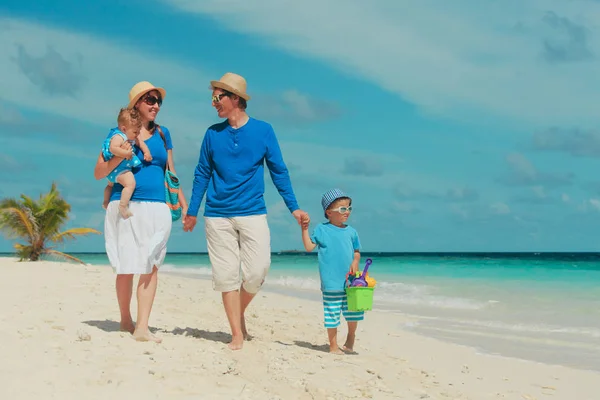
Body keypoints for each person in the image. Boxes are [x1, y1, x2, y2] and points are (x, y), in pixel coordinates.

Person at [183, 72, 308, 350]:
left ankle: (238, 312)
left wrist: (294, 207)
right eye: (212, 97)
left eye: (218, 97)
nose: (213, 102)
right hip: (217, 214)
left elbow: (279, 170)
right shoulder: (212, 134)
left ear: (235, 98)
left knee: (257, 271)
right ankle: (236, 333)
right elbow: (202, 173)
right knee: (226, 275)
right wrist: (192, 210)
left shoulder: (264, 131)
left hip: (252, 211)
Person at [93, 81, 188, 342]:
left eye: (158, 101)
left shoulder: (163, 133)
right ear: (137, 104)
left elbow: (171, 170)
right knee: (125, 266)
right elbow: (99, 173)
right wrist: (121, 156)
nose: (156, 105)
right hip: (125, 205)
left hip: (158, 205)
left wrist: (183, 203)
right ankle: (125, 320)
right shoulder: (118, 133)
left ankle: (142, 326)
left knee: (151, 264)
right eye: (150, 100)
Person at [300, 188, 364, 355]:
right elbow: (308, 247)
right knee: (332, 314)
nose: (347, 212)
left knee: (353, 312)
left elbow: (357, 251)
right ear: (329, 212)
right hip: (331, 281)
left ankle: (350, 338)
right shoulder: (321, 229)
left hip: (351, 281)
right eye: (343, 209)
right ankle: (333, 346)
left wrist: (355, 261)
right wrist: (304, 229)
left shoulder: (351, 232)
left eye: (349, 208)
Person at [101, 108, 150, 218]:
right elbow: (113, 148)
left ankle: (105, 202)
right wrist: (125, 153)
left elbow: (141, 144)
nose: (137, 134)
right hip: (119, 169)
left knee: (109, 185)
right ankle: (123, 205)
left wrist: (146, 152)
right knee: (130, 184)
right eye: (135, 132)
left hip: (113, 172)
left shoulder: (131, 136)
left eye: (138, 132)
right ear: (124, 128)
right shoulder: (119, 136)